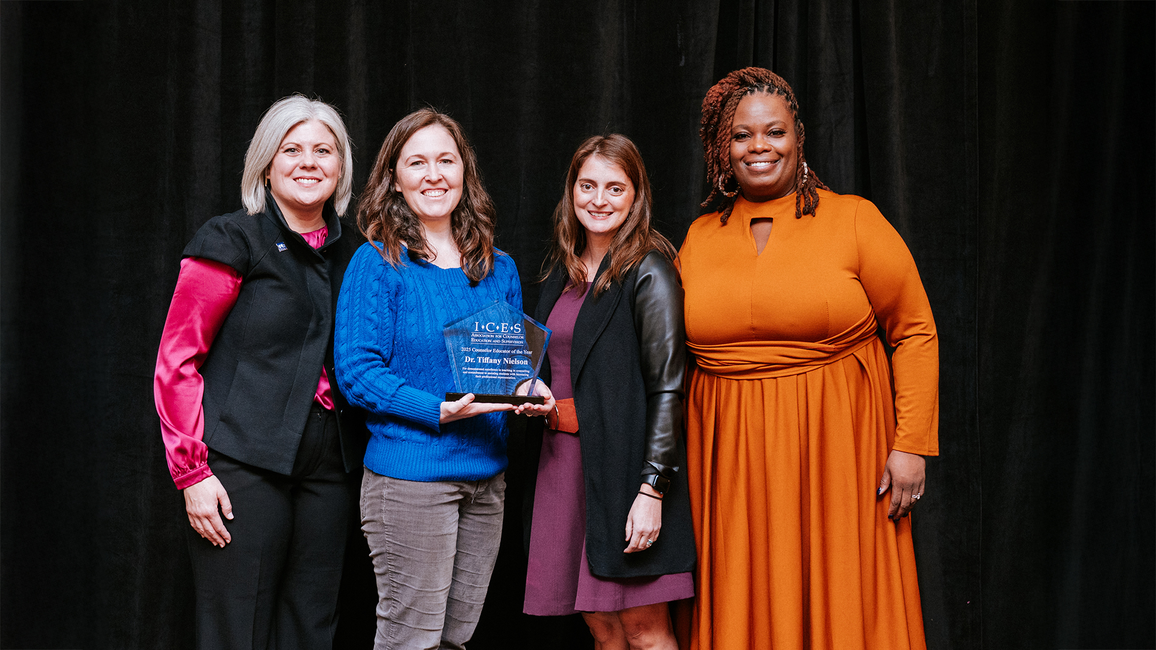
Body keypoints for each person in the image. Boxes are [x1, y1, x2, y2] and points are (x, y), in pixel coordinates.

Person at [677, 67, 939, 649]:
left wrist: (911, 444)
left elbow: (915, 329)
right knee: (743, 585)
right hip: (729, 458)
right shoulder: (699, 236)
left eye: (774, 131)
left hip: (839, 448)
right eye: (742, 135)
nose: (759, 147)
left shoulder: (854, 219)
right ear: (724, 147)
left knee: (842, 589)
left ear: (799, 137)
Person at [333, 108, 554, 650]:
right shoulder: (378, 263)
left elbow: (505, 369)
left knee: (454, 642)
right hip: (412, 480)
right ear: (395, 178)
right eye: (417, 162)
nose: (434, 174)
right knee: (411, 642)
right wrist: (437, 409)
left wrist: (528, 390)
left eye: (445, 160)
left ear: (464, 172)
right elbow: (357, 374)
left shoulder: (497, 268)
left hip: (487, 480)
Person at [154, 95, 366, 650]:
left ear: (341, 166)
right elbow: (179, 359)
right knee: (236, 629)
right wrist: (191, 473)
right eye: (291, 149)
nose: (308, 162)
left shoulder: (359, 254)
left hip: (331, 468)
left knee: (313, 625)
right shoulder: (231, 238)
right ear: (266, 162)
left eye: (324, 150)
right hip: (242, 463)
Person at [522, 134, 696, 650]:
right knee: (600, 627)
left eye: (615, 188)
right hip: (564, 466)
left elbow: (668, 389)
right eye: (587, 185)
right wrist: (530, 385)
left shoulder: (650, 270)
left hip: (627, 471)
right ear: (571, 191)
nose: (599, 200)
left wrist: (652, 490)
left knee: (643, 629)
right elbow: (550, 361)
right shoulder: (561, 272)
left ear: (636, 195)